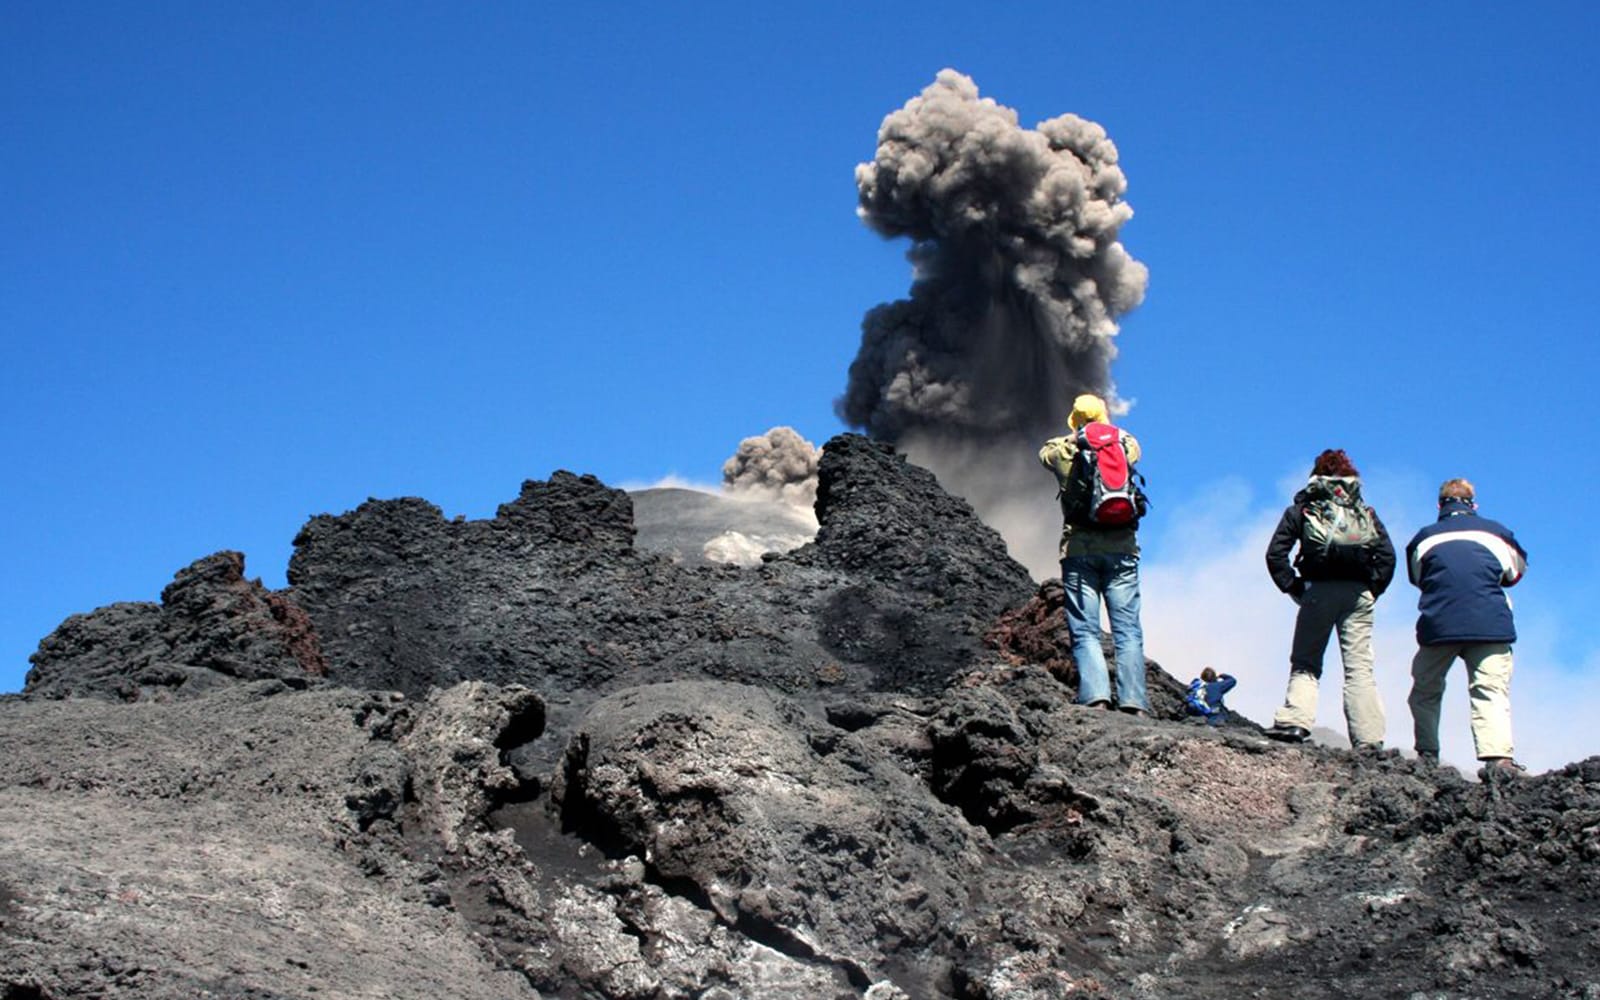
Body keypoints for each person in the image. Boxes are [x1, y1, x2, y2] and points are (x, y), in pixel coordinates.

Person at [1264, 449, 1396, 747]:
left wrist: (1294, 587)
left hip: (1318, 591)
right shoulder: (1364, 510)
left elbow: (1275, 554)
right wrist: (1372, 589)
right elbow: (1387, 556)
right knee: (1359, 667)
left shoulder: (1303, 509)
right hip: (1359, 594)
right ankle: (1369, 739)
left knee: (1306, 662)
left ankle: (1295, 722)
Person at [1404, 478, 1528, 779]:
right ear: (1473, 504)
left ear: (1439, 505)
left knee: (1426, 689)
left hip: (1439, 625)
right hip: (1490, 624)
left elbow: (1417, 577)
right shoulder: (1498, 532)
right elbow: (1514, 572)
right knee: (1490, 690)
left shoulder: (1423, 537)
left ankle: (1427, 754)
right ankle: (1498, 760)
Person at [1039, 393, 1151, 715]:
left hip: (1079, 552)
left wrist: (1075, 435)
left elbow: (1044, 453)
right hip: (1123, 552)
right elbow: (1135, 447)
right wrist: (1108, 432)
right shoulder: (1124, 448)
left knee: (1085, 629)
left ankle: (1096, 697)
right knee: (1127, 630)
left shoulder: (1063, 452)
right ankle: (1134, 702)